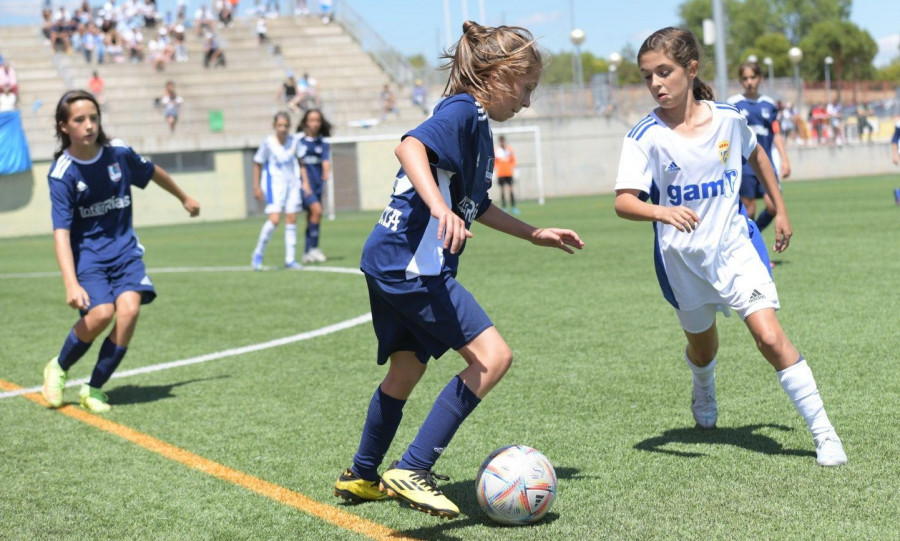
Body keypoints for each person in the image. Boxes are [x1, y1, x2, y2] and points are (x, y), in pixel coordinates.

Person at [332, 21, 584, 518]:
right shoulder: (463, 109)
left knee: (406, 369)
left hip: (389, 259)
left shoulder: (479, 130)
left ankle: (362, 475)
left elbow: (478, 205)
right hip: (414, 266)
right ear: (497, 74)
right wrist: (440, 210)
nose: (528, 102)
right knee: (492, 358)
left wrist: (534, 232)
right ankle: (414, 467)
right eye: (526, 88)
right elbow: (410, 146)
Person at [613, 27, 846, 468]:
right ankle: (704, 384)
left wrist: (781, 208)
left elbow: (757, 155)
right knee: (704, 350)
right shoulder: (643, 136)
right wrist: (662, 212)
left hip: (736, 248)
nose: (656, 84)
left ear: (691, 69)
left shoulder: (728, 118)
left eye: (665, 72)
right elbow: (624, 201)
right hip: (681, 262)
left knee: (770, 337)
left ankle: (824, 433)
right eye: (647, 77)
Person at [41, 90, 200, 413]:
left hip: (125, 253)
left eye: (94, 118)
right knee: (100, 314)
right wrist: (71, 283)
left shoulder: (118, 154)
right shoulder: (63, 173)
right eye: (79, 120)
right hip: (89, 258)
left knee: (128, 312)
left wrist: (184, 197)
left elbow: (153, 171)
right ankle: (58, 367)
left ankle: (93, 389)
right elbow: (61, 232)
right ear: (63, 127)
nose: (89, 125)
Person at [727, 61, 791, 232]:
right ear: (741, 81)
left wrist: (785, 159)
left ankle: (754, 236)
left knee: (773, 206)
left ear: (760, 78)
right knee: (749, 210)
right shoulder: (733, 104)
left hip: (766, 163)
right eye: (745, 78)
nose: (749, 81)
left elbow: (776, 134)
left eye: (752, 77)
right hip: (745, 165)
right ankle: (751, 246)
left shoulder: (768, 104)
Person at [251, 111, 304, 270]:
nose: (283, 128)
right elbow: (257, 162)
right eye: (280, 125)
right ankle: (258, 253)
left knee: (291, 219)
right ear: (274, 126)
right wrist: (256, 186)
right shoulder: (268, 143)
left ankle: (290, 259)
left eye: (286, 126)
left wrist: (305, 183)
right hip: (274, 186)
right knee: (274, 220)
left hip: (292, 185)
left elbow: (301, 163)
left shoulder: (294, 141)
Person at [296, 108, 332, 263]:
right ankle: (314, 248)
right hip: (304, 186)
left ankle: (307, 252)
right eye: (311, 120)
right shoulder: (299, 142)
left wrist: (326, 172)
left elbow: (325, 161)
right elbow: (299, 164)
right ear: (305, 122)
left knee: (312, 217)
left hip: (317, 186)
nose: (315, 123)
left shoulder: (322, 143)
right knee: (317, 211)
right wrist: (305, 184)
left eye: (317, 120)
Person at [494, 135, 520, 214]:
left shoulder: (509, 150)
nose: (502, 142)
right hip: (501, 173)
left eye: (503, 140)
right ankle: (504, 207)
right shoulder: (496, 150)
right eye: (501, 141)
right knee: (502, 191)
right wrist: (494, 172)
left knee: (511, 190)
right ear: (499, 141)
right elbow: (494, 162)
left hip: (509, 173)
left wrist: (516, 170)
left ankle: (513, 207)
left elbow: (513, 160)